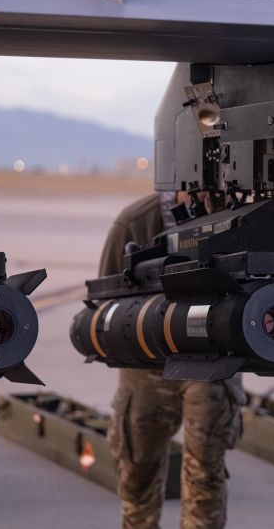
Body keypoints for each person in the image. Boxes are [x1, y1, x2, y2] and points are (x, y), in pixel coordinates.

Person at [101, 191, 245, 529]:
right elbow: (106, 302)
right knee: (137, 474)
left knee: (205, 477)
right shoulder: (136, 222)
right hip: (146, 364)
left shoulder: (241, 215)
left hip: (213, 360)